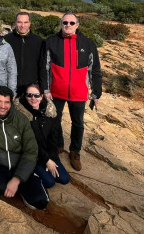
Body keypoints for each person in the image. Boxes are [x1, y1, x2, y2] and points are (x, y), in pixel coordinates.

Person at [39, 13, 102, 171]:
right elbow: (44, 68)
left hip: (78, 92)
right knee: (54, 120)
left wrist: (96, 92)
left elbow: (94, 69)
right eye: (65, 22)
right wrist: (45, 89)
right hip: (55, 91)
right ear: (61, 24)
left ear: (77, 25)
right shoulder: (51, 41)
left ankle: (75, 151)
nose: (68, 25)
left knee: (78, 123)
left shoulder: (88, 43)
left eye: (71, 23)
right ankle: (58, 145)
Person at [20, 83, 70, 190]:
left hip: (49, 153)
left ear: (42, 96)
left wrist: (51, 158)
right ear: (25, 96)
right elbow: (30, 143)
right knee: (49, 182)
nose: (33, 98)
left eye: (36, 95)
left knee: (64, 179)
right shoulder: (23, 116)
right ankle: (31, 173)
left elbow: (54, 137)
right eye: (29, 95)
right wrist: (46, 160)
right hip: (34, 156)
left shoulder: (49, 111)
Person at [4, 12, 44, 97]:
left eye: (25, 22)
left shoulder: (39, 41)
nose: (23, 25)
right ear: (15, 23)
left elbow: (42, 66)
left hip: (31, 89)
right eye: (19, 22)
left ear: (30, 23)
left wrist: (42, 86)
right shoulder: (6, 40)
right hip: (10, 87)